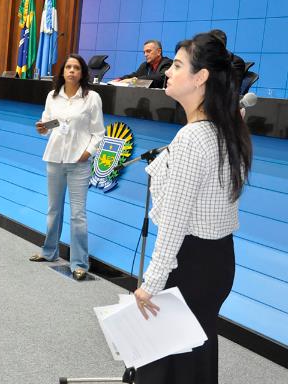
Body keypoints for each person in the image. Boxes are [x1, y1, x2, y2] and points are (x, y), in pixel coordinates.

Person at [133, 33, 253, 384]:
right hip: (218, 261)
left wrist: (150, 284)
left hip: (189, 263)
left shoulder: (192, 138)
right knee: (194, 357)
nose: (168, 72)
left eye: (179, 65)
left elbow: (173, 223)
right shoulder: (227, 130)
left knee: (162, 364)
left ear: (201, 77)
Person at [29, 54, 105, 281]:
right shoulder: (52, 96)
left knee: (78, 215)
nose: (71, 71)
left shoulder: (92, 98)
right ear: (62, 72)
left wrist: (87, 152)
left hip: (79, 163)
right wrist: (43, 128)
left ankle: (80, 262)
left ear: (82, 73)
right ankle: (49, 252)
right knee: (53, 210)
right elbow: (49, 125)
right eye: (68, 67)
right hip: (54, 159)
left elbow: (99, 132)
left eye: (76, 68)